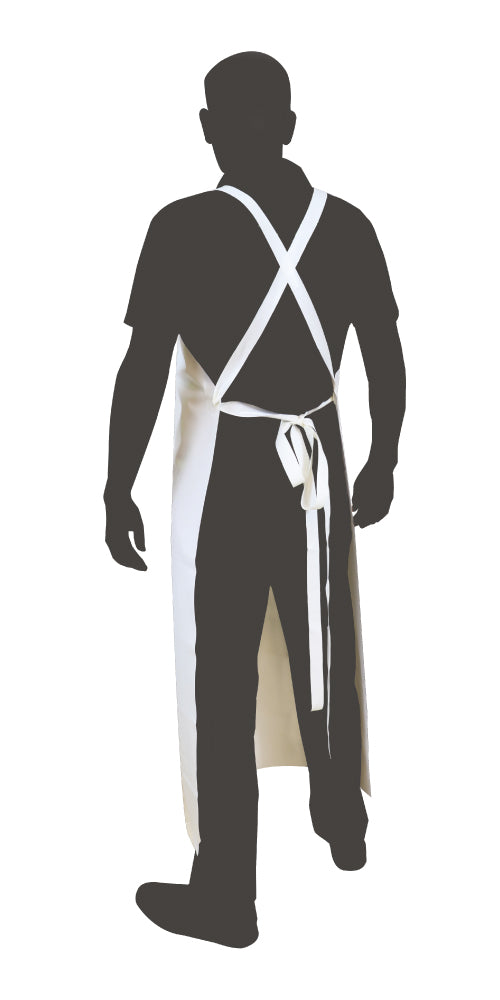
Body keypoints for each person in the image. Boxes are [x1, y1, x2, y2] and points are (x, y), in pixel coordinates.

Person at [103, 50, 406, 948]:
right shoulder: (348, 225)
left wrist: (116, 484)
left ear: (206, 129)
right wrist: (385, 458)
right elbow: (385, 354)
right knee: (325, 643)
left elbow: (142, 368)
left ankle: (227, 895)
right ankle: (343, 824)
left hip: (229, 474)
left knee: (224, 678)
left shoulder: (179, 227)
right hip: (321, 463)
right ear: (291, 126)